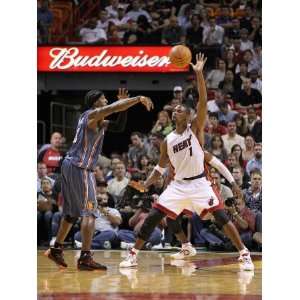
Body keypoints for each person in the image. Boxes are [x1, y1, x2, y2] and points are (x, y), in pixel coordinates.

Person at [119, 53, 254, 271]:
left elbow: (202, 100)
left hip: (200, 183)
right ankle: (134, 254)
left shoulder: (196, 130)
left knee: (220, 216)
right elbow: (159, 168)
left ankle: (244, 253)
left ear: (189, 117)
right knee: (154, 215)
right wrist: (147, 181)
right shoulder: (168, 140)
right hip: (178, 185)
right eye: (175, 109)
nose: (176, 111)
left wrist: (199, 74)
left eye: (181, 109)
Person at [45, 88, 153, 270]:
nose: (105, 100)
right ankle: (85, 257)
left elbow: (119, 127)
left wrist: (123, 107)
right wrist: (138, 98)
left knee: (71, 214)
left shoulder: (99, 121)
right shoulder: (92, 114)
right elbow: (113, 108)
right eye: (103, 98)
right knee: (90, 212)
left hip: (71, 166)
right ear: (95, 102)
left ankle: (56, 249)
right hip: (81, 168)